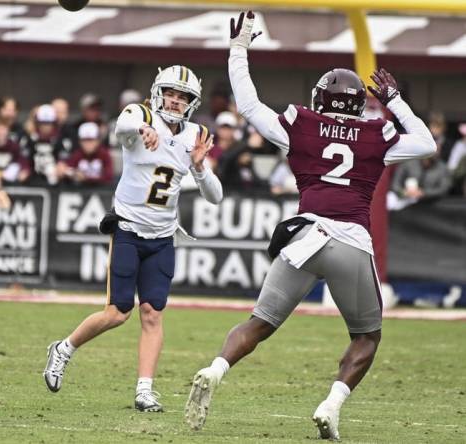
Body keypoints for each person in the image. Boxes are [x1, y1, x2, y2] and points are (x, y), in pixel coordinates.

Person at [184, 11, 437, 440]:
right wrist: (394, 101)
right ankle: (331, 405)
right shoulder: (377, 134)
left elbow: (247, 104)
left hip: (304, 236)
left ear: (320, 99)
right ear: (360, 103)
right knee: (366, 338)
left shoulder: (301, 124)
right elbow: (427, 141)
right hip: (351, 240)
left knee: (258, 324)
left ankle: (215, 368)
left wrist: (239, 49)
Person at [43, 65, 223, 412]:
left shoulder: (194, 135)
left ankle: (144, 391)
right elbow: (121, 125)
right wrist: (143, 129)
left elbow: (215, 196)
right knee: (117, 312)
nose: (174, 100)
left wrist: (200, 168)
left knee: (153, 314)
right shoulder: (139, 114)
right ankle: (64, 348)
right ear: (158, 92)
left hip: (164, 236)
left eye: (182, 96)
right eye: (170, 93)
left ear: (192, 102)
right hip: (128, 228)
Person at [57, 122, 113, 186]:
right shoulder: (77, 154)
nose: (88, 144)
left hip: (103, 192)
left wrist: (86, 178)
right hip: (81, 193)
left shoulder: (104, 154)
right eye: (84, 140)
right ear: (79, 141)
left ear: (97, 140)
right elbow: (68, 169)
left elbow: (109, 177)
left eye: (91, 140)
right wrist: (66, 171)